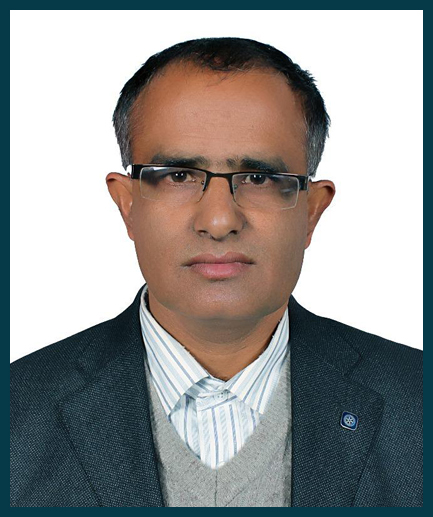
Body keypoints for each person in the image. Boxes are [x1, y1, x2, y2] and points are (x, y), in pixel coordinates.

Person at [10, 37, 422, 507]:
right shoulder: (16, 418)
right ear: (127, 205)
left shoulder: (417, 404)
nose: (220, 220)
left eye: (259, 178)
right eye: (178, 175)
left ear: (311, 210)